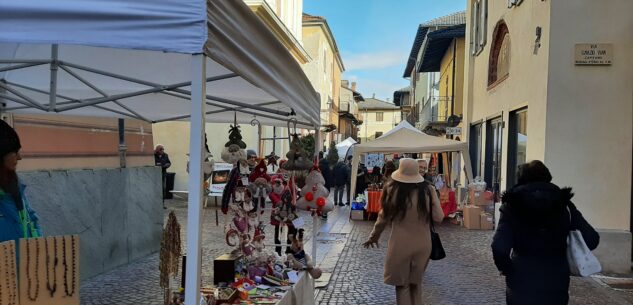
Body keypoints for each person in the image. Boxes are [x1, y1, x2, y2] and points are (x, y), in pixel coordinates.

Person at [491, 160, 599, 305]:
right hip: (556, 279)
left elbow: (499, 248)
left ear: (521, 179)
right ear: (548, 177)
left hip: (521, 278)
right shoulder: (564, 205)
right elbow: (591, 239)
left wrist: (507, 269)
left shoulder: (512, 205)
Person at [363, 158, 443, 305]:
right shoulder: (429, 189)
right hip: (423, 243)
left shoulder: (391, 189)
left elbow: (382, 218)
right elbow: (439, 217)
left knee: (402, 285)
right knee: (416, 284)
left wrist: (373, 237)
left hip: (400, 244)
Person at [0, 120, 42, 245]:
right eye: (14, 151)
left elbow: (32, 219)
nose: (19, 157)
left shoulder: (15, 186)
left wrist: (39, 251)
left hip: (28, 262)